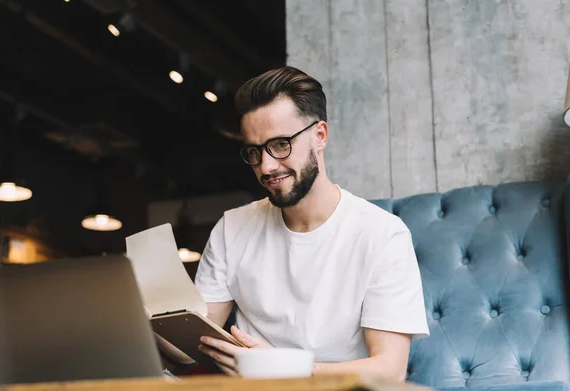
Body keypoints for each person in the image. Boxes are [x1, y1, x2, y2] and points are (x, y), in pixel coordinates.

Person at [160, 66, 429, 380]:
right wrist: (140, 319)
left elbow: (390, 370)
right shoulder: (231, 228)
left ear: (320, 136)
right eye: (254, 152)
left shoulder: (383, 235)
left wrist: (282, 371)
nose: (267, 166)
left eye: (280, 145)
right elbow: (186, 350)